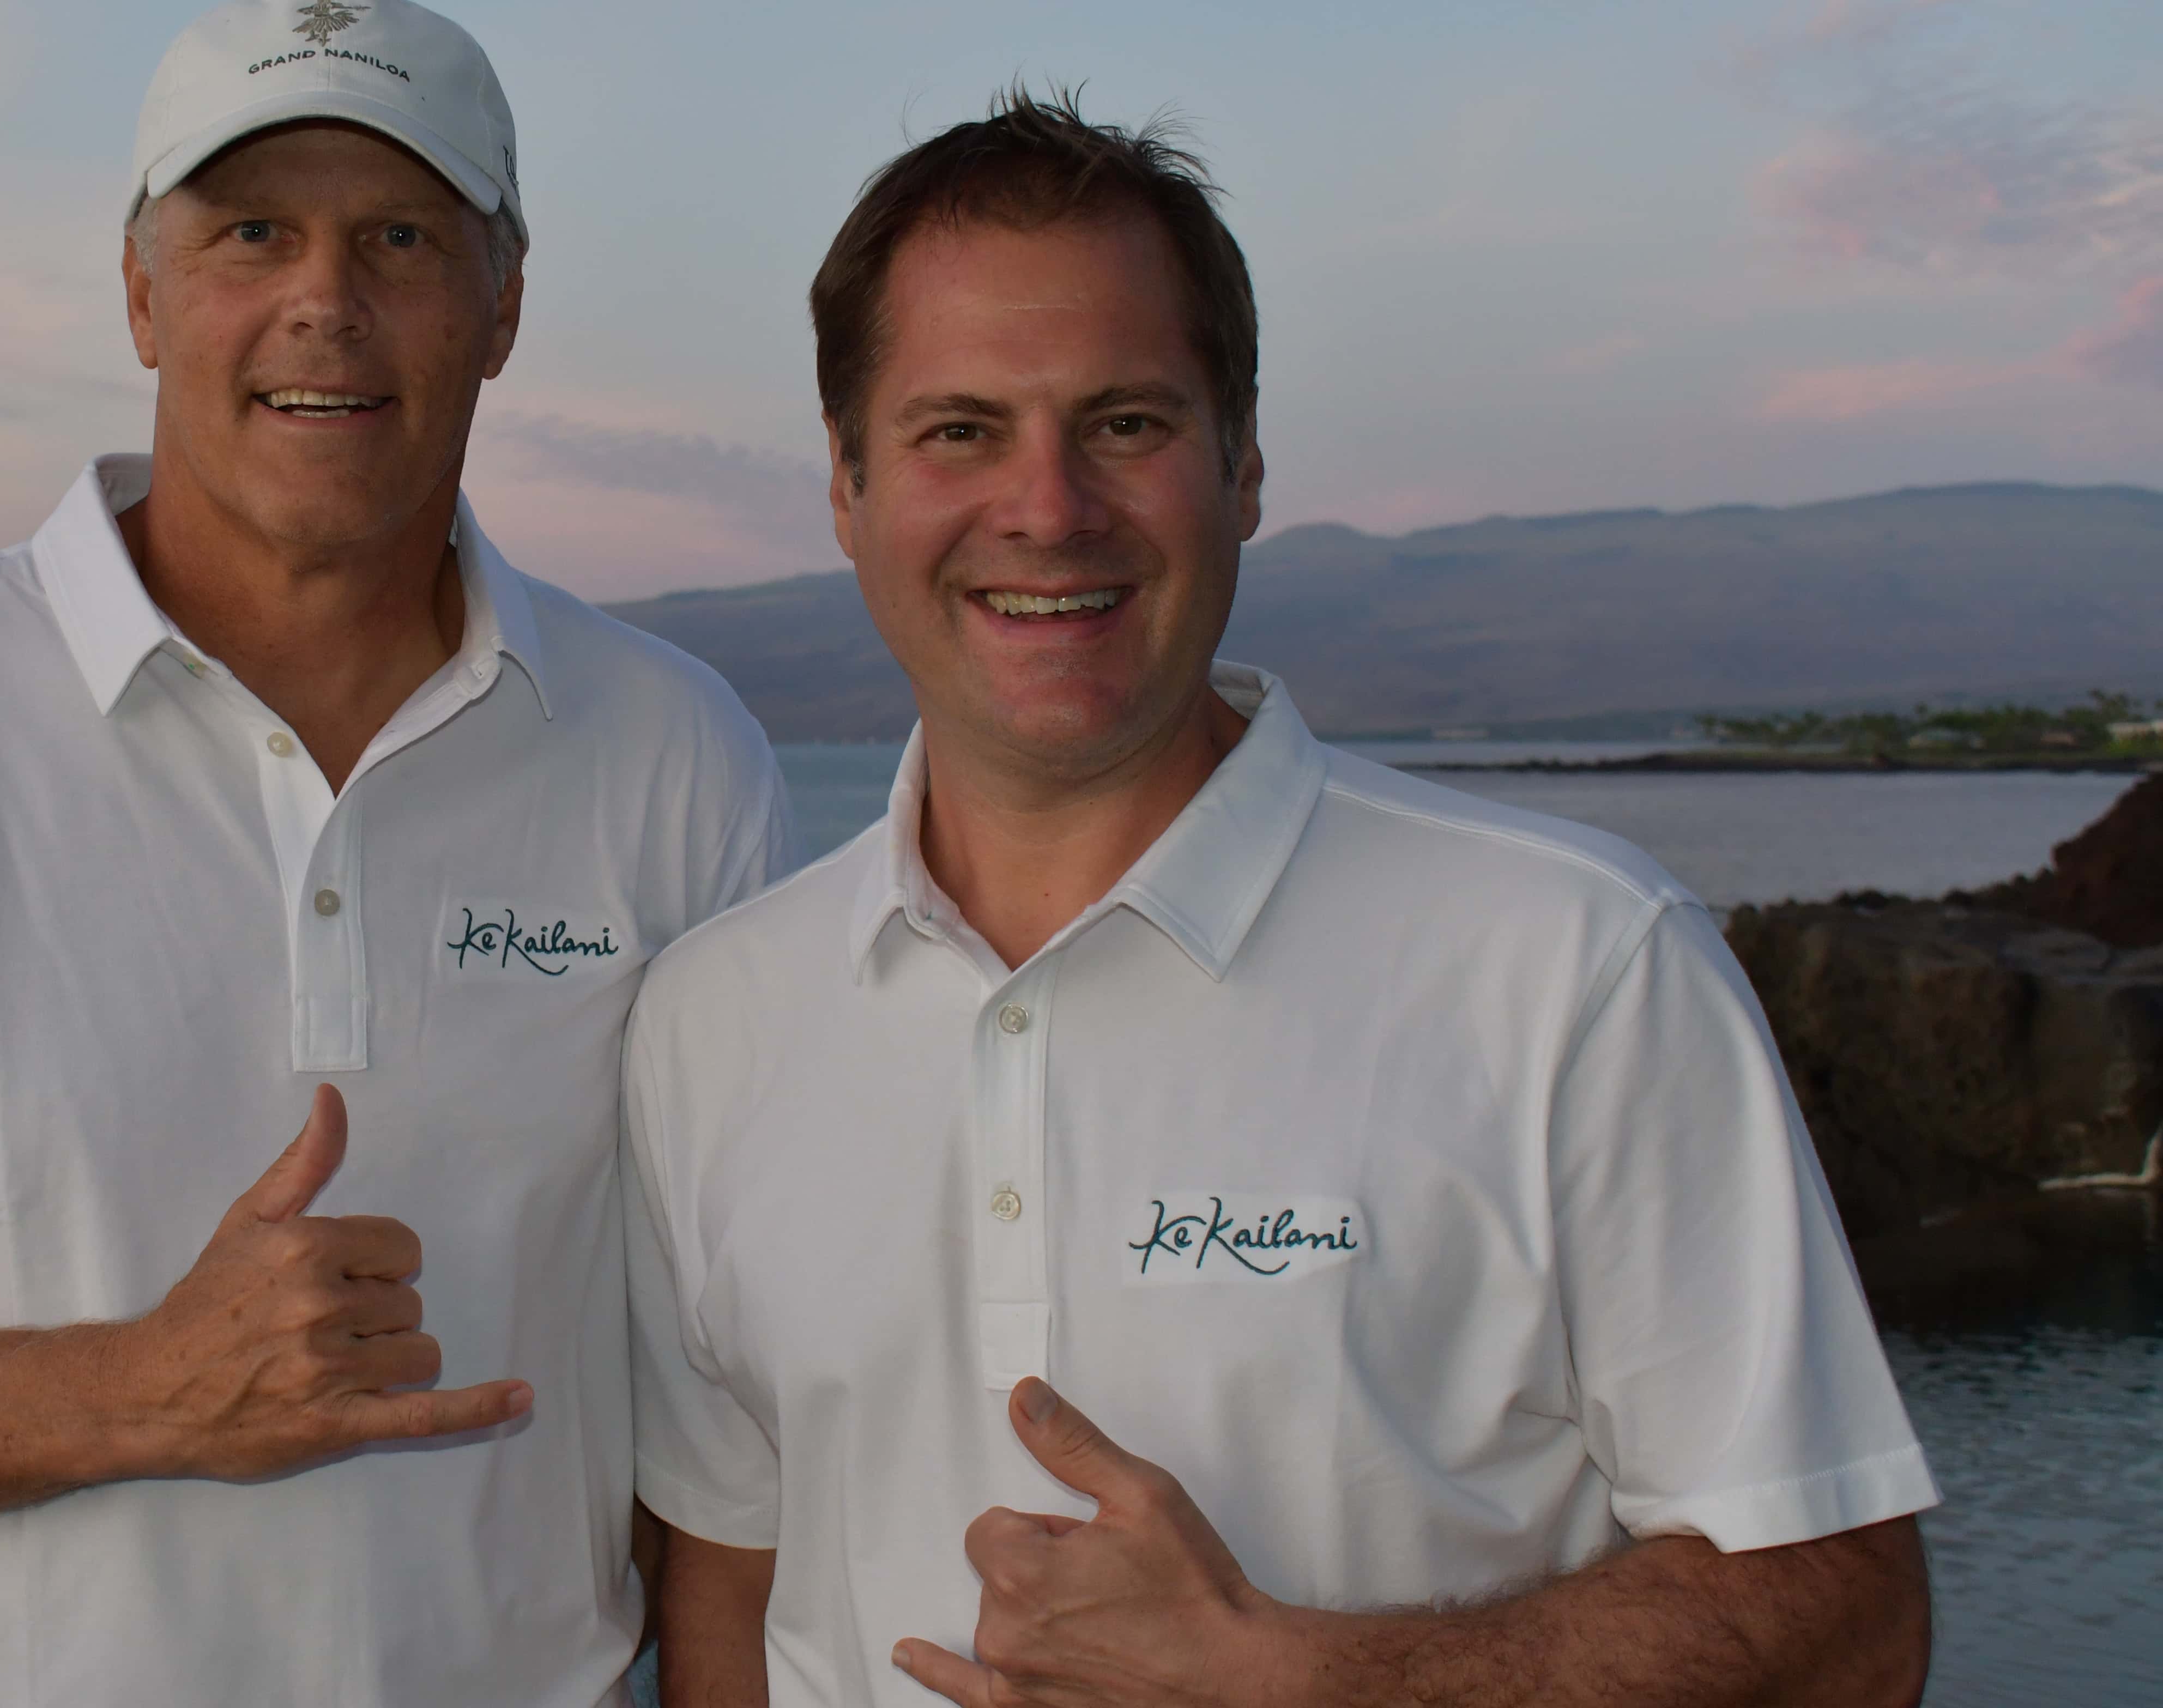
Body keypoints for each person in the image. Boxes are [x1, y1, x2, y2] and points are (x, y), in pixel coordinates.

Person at [0, 0, 791, 1706]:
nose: (322, 306)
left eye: (404, 239)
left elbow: (741, 1407)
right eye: (250, 232)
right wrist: (143, 1392)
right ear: (140, 292)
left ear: (502, 308)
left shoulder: (675, 751)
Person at [624, 93, 1935, 1706]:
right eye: (959, 429)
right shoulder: (714, 1018)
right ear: (845, 485)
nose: (1047, 508)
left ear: (1242, 465)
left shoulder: (1577, 962)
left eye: (1126, 423)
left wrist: (1306, 1678)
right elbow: (730, 1579)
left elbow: (1851, 1626)